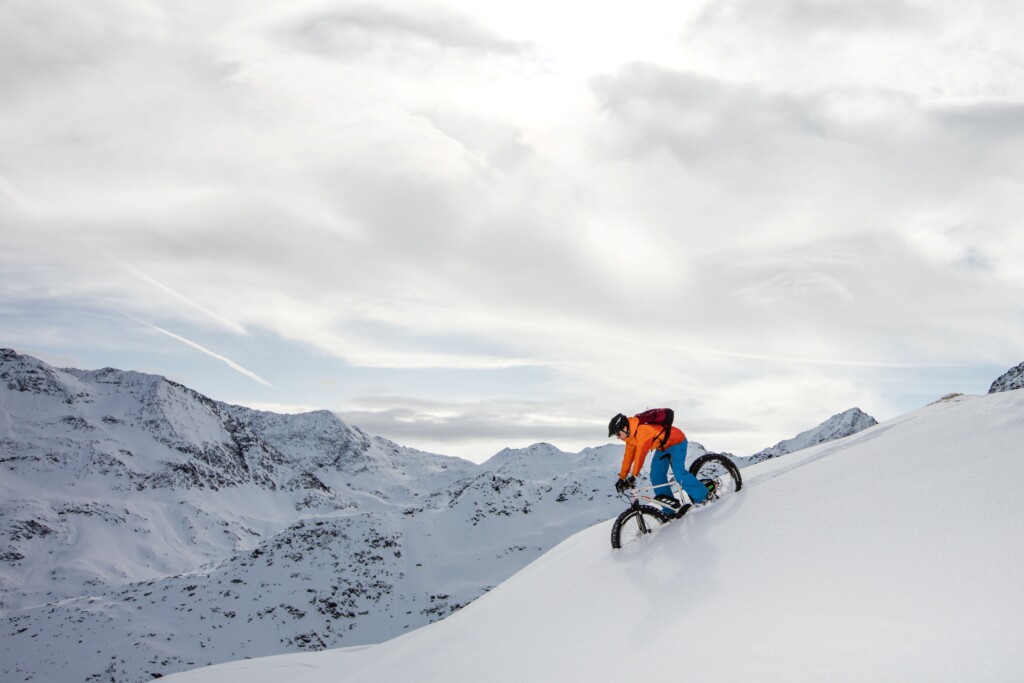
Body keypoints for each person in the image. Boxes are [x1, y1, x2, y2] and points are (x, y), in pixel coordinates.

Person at [608, 412, 712, 516]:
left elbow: (640, 455)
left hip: (677, 441)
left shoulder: (642, 430)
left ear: (625, 428)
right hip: (662, 447)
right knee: (656, 476)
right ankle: (670, 509)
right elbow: (628, 457)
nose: (617, 437)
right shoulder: (630, 438)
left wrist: (634, 475)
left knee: (679, 474)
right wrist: (622, 477)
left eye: (617, 434)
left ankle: (704, 497)